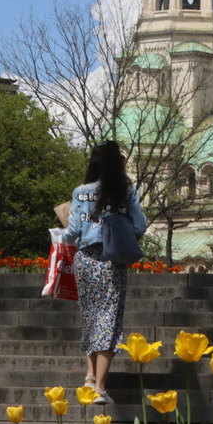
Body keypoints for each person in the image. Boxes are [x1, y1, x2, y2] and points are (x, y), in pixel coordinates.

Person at [63, 141, 146, 405]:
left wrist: (61, 235)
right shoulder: (126, 192)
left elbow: (72, 232)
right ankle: (100, 388)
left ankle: (89, 376)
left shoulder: (81, 192)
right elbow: (140, 227)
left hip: (86, 260)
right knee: (109, 320)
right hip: (112, 261)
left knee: (90, 316)